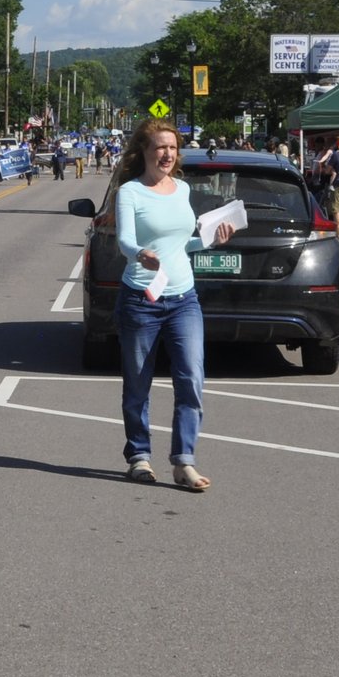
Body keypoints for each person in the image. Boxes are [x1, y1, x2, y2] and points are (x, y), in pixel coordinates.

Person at [112, 114, 231, 491]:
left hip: (183, 300)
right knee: (137, 384)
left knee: (191, 378)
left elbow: (182, 243)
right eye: (160, 147)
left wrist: (210, 240)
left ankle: (184, 461)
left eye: (173, 148)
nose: (167, 153)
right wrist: (139, 254)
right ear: (144, 150)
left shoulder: (181, 189)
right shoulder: (129, 192)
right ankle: (139, 457)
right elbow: (125, 242)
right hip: (140, 300)